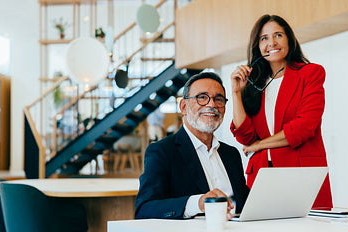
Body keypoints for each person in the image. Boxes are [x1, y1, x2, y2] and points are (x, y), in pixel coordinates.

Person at [230, 14, 333, 208]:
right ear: (257, 46)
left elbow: (303, 128)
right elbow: (245, 137)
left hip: (300, 173)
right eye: (264, 38)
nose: (272, 43)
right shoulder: (254, 82)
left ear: (289, 39)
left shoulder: (310, 74)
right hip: (261, 175)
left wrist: (260, 145)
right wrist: (236, 92)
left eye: (278, 35)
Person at [135, 72, 250, 219]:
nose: (212, 104)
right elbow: (144, 209)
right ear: (183, 106)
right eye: (202, 97)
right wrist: (198, 203)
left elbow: (245, 204)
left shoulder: (231, 154)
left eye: (219, 99)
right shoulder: (163, 151)